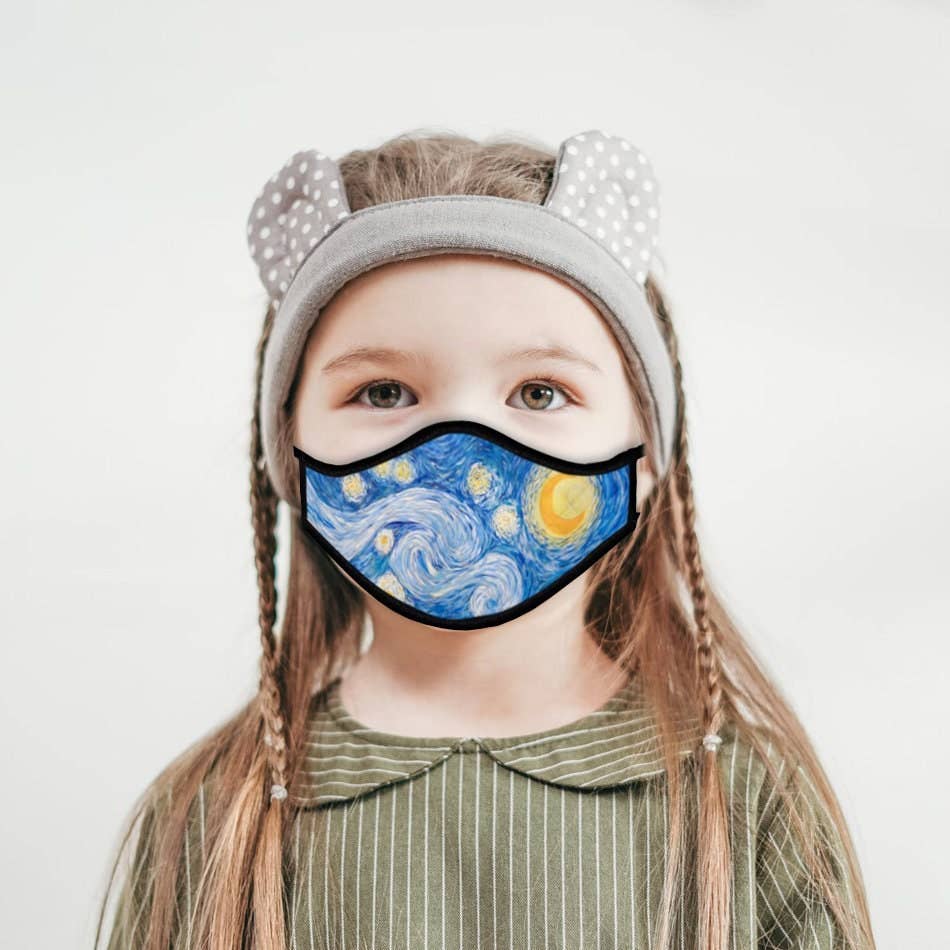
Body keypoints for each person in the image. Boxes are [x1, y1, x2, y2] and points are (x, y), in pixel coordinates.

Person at [95, 128, 876, 950]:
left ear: (647, 451)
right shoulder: (207, 817)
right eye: (384, 391)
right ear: (289, 453)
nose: (461, 446)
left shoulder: (750, 804)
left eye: (539, 392)